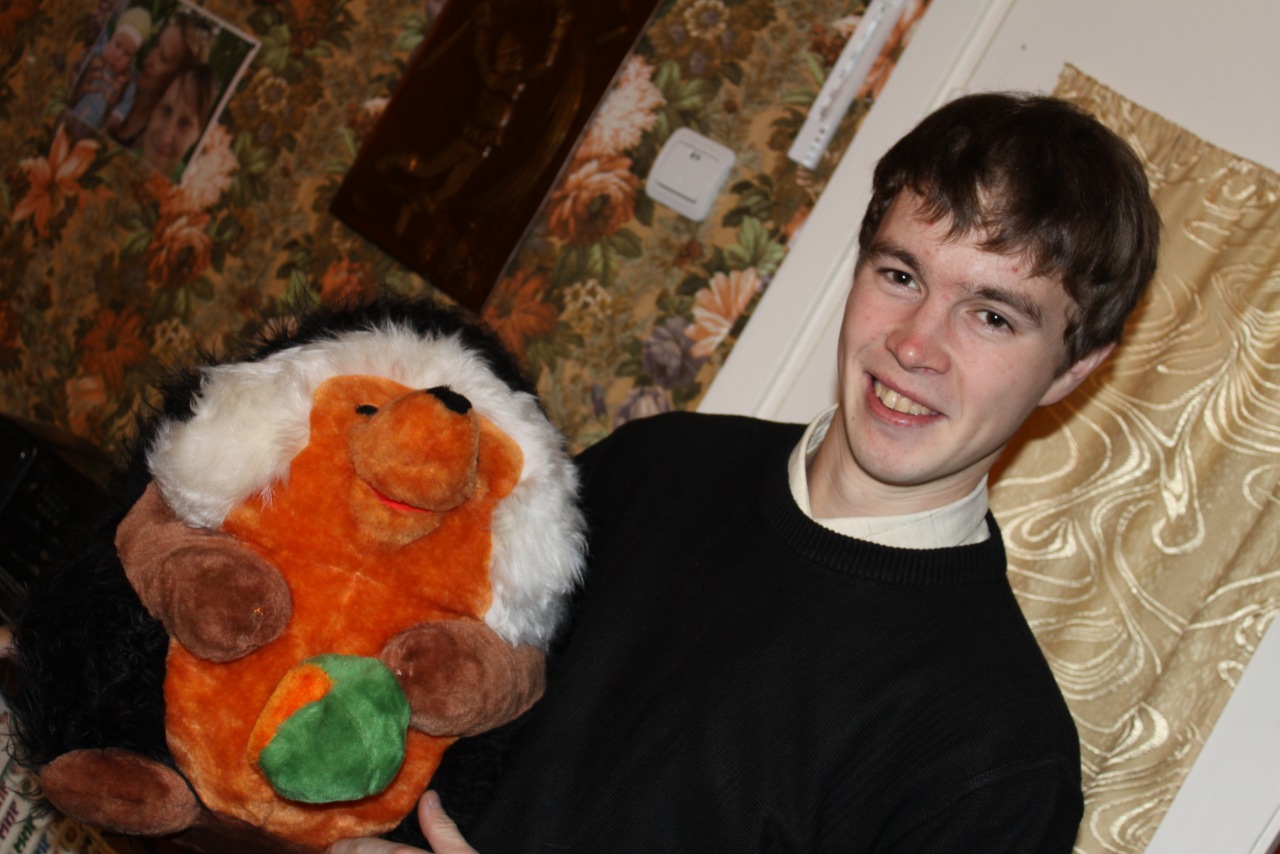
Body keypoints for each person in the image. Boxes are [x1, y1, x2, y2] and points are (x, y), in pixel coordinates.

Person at [330, 91, 1161, 853]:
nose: (915, 345)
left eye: (991, 316)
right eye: (901, 275)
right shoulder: (652, 468)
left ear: (1073, 367)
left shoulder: (1000, 757)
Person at [106, 10, 211, 148]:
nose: (148, 60)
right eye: (156, 45)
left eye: (163, 58)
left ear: (177, 80)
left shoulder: (155, 140)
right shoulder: (120, 79)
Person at [68, 6, 152, 130]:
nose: (118, 56)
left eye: (126, 54)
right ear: (110, 40)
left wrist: (113, 119)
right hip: (73, 111)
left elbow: (124, 107)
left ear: (131, 61)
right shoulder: (95, 54)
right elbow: (74, 72)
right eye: (117, 45)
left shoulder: (128, 80)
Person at [137, 63, 216, 179]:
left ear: (197, 135)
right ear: (154, 109)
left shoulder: (192, 186)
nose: (165, 139)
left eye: (184, 123)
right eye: (166, 111)